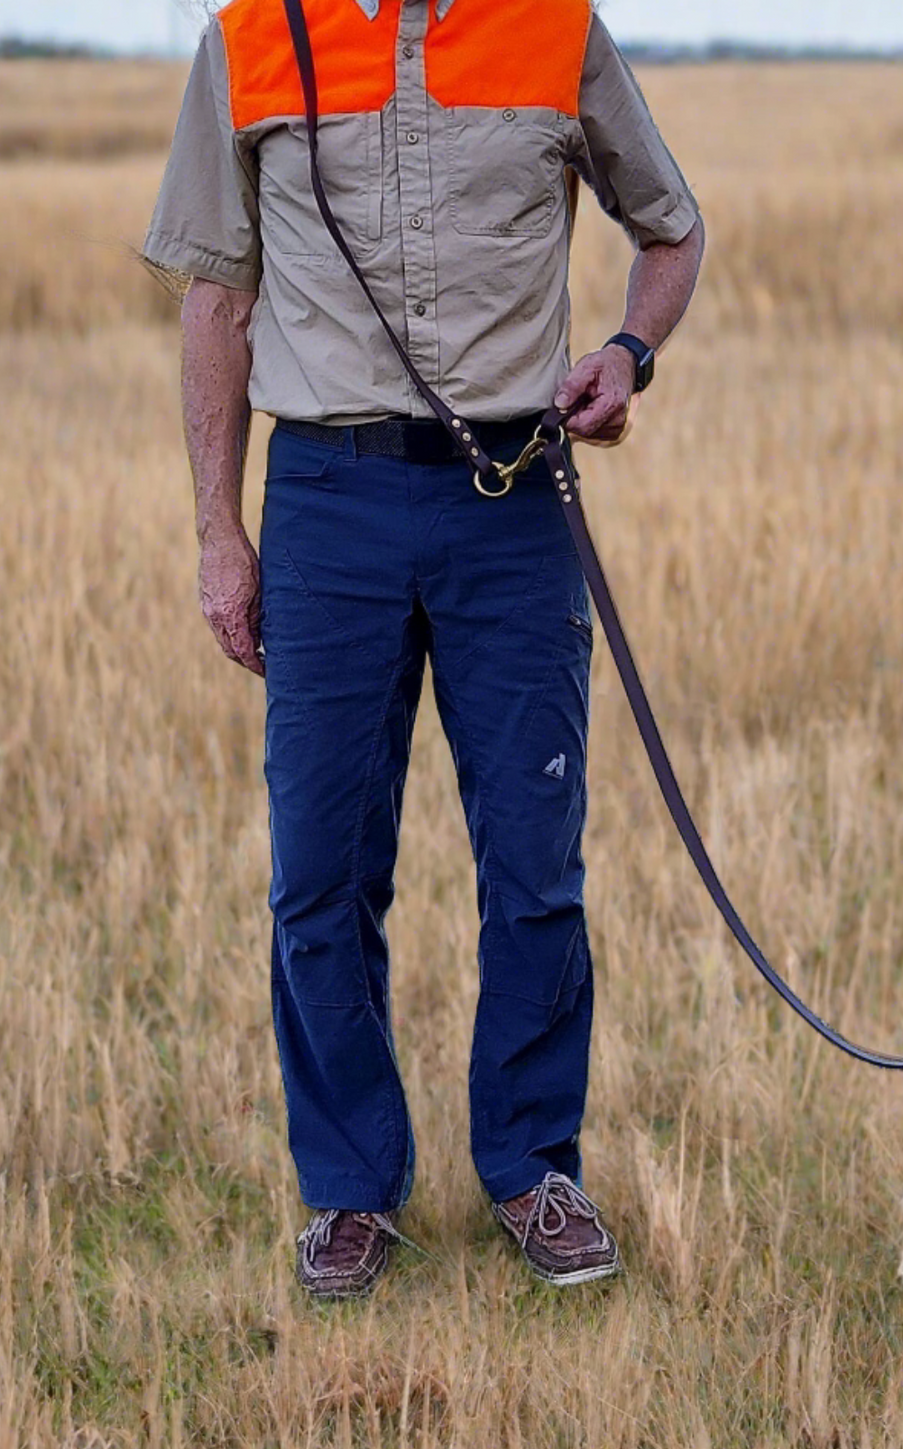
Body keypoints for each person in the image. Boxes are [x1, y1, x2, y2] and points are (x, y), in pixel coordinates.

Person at [143, 0, 704, 1299]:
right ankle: (350, 1191)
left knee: (535, 860)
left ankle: (530, 1170)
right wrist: (221, 538)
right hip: (327, 501)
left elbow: (670, 229)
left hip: (511, 493)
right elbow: (216, 302)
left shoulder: (557, 26)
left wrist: (629, 353)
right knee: (320, 876)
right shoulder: (247, 38)